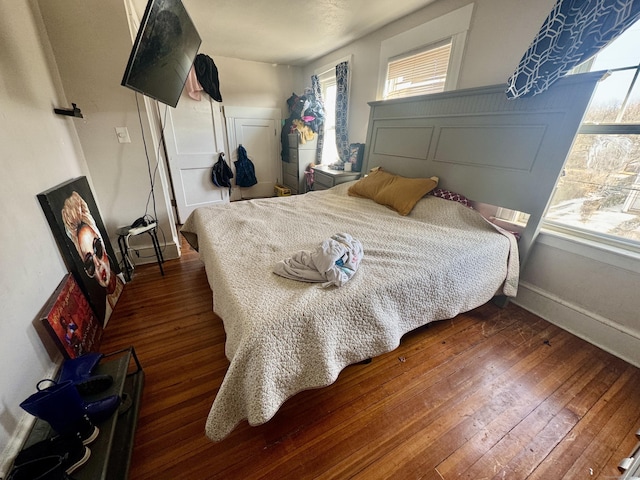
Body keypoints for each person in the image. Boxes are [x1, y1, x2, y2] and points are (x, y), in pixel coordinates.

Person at [61, 192, 123, 317]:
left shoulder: (122, 280)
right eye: (89, 262)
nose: (98, 264)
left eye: (98, 249)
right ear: (86, 270)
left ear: (104, 246)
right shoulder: (106, 315)